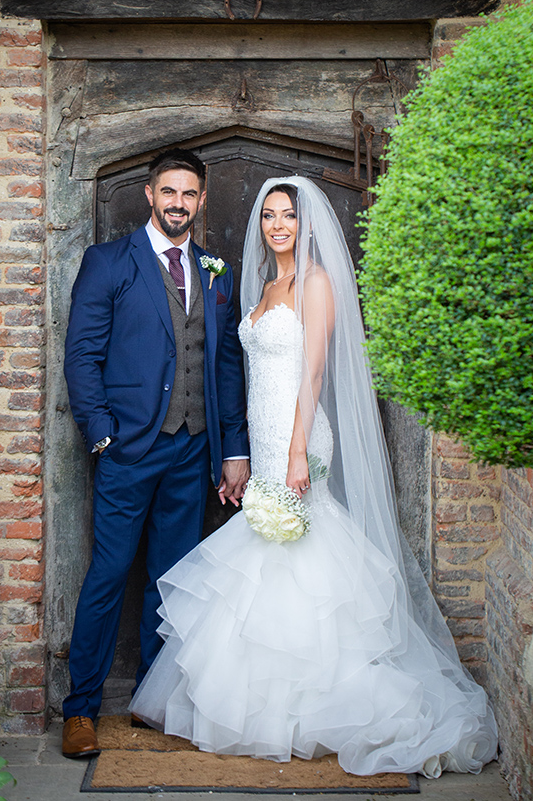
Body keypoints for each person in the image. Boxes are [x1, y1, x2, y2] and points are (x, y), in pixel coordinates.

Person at [129, 176, 498, 777]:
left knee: (303, 550)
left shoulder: (316, 284)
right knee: (269, 556)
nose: (278, 225)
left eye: (289, 217)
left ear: (306, 226)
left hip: (299, 438)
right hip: (265, 436)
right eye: (269, 215)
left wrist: (298, 450)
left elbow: (315, 375)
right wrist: (244, 454)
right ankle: (268, 705)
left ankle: (313, 706)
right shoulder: (264, 284)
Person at [61, 148, 249, 759]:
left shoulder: (213, 270)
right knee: (110, 575)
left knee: (173, 582)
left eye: (188, 194)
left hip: (192, 451)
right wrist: (103, 434)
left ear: (200, 199)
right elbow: (81, 357)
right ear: (149, 195)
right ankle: (80, 709)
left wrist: (233, 450)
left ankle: (153, 698)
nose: (177, 203)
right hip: (129, 449)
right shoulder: (108, 262)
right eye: (168, 192)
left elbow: (223, 366)